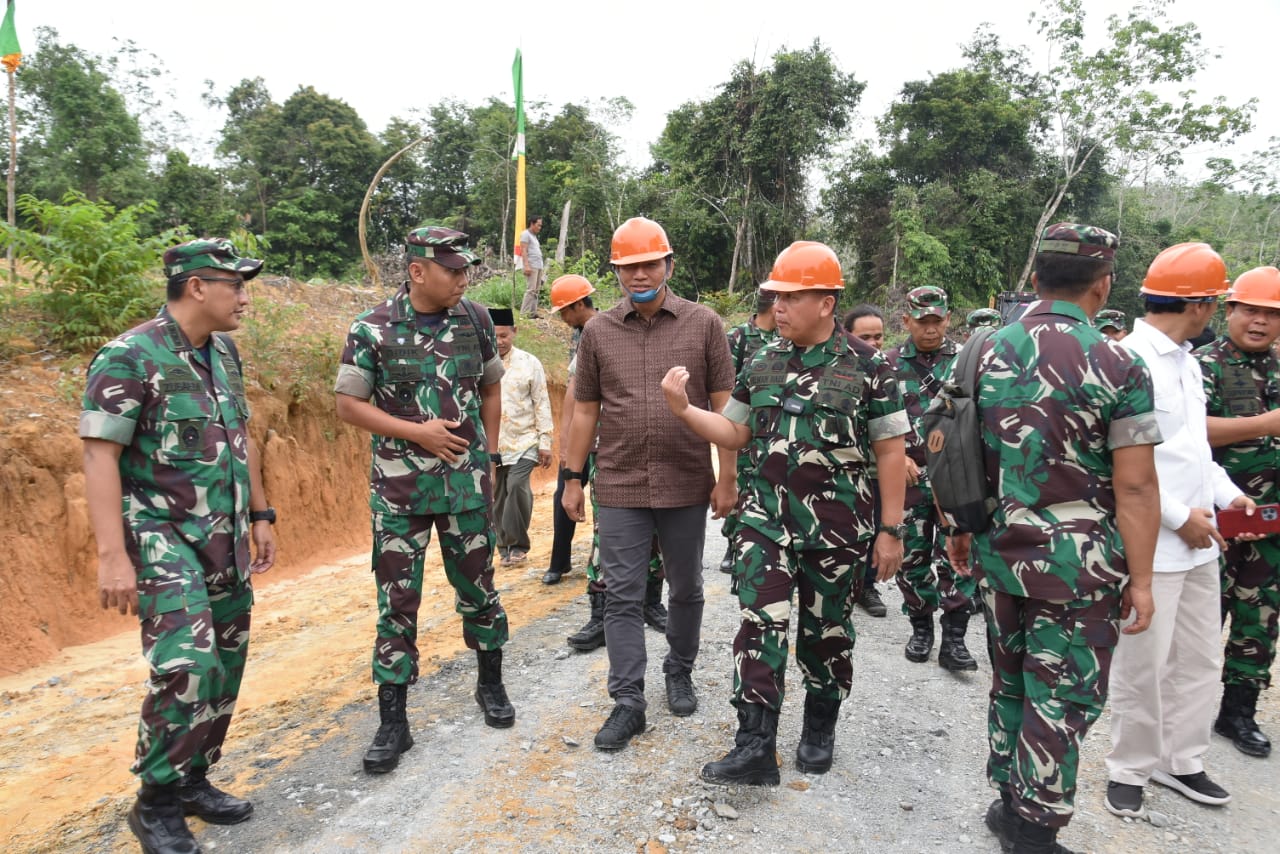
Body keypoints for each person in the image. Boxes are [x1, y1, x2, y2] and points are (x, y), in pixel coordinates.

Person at [947, 223, 1161, 854]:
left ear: (1035, 278)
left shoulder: (981, 350)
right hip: (1079, 571)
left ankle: (1010, 802)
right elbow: (1137, 488)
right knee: (1062, 694)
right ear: (1104, 283)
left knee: (1010, 678)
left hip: (999, 553)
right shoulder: (1121, 362)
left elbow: (949, 451)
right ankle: (1033, 830)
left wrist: (959, 528)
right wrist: (1143, 580)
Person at [662, 241, 908, 785]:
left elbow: (892, 453)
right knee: (759, 625)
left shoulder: (871, 368)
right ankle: (754, 744)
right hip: (763, 524)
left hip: (837, 531)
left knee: (827, 634)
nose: (779, 308)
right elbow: (736, 430)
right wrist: (686, 411)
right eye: (775, 297)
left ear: (826, 302)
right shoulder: (762, 359)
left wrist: (891, 531)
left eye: (791, 298)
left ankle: (819, 727)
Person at [81, 238, 277, 853]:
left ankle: (194, 776)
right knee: (186, 666)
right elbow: (99, 455)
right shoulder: (129, 357)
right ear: (196, 286)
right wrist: (112, 555)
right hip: (160, 536)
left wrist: (261, 513)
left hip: (224, 536)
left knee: (227, 660)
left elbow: (240, 438)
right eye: (234, 285)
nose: (244, 298)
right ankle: (155, 800)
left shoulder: (223, 352)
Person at [335, 226, 514, 776]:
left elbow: (489, 387)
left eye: (465, 270)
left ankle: (491, 685)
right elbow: (348, 404)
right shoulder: (373, 328)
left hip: (464, 490)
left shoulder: (478, 320)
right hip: (400, 492)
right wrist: (418, 435)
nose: (464, 278)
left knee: (479, 590)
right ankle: (394, 721)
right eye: (453, 270)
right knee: (397, 605)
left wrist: (484, 455)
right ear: (417, 271)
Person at [561, 216, 736, 750]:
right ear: (615, 272)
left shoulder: (705, 324)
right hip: (618, 483)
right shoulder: (597, 331)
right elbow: (585, 412)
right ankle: (628, 701)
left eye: (648, 264)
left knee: (686, 589)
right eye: (627, 267)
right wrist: (571, 478)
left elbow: (727, 407)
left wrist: (727, 477)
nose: (639, 274)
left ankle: (678, 671)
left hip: (686, 481)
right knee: (621, 595)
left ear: (668, 265)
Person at [1104, 243, 1257, 819]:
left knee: (1198, 658)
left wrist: (1227, 497)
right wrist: (1177, 516)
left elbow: (1195, 454)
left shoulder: (1188, 363)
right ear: (1198, 305)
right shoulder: (1128, 361)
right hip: (1157, 541)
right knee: (1144, 661)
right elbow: (1117, 466)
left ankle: (1181, 758)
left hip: (1202, 541)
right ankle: (1129, 767)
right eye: (1214, 303)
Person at [544, 275, 669, 647]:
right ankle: (601, 614)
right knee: (607, 537)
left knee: (656, 534)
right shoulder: (593, 336)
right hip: (607, 452)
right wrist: (570, 456)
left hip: (654, 451)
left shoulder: (617, 332)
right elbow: (574, 401)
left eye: (563, 311)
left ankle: (650, 602)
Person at [1196, 266, 1280, 759]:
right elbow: (1188, 434)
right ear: (1230, 310)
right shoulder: (1203, 365)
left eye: (1271, 314)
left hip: (1269, 525)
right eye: (1251, 310)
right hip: (1215, 521)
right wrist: (1263, 424)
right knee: (1204, 619)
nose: (1260, 322)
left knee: (1259, 617)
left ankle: (1238, 712)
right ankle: (1183, 713)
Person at [883, 286, 978, 671]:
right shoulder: (888, 364)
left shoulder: (966, 363)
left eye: (937, 321)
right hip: (910, 479)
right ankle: (920, 626)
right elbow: (879, 420)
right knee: (914, 558)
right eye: (922, 321)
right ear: (906, 321)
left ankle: (954, 638)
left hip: (957, 477)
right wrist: (899, 454)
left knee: (960, 557)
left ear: (948, 319)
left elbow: (976, 415)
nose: (931, 329)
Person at [719, 288, 779, 574]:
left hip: (775, 430)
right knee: (741, 485)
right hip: (744, 426)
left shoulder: (786, 337)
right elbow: (726, 382)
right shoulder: (739, 336)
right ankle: (733, 542)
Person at [543, 274, 598, 586]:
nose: (562, 318)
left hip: (603, 436)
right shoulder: (579, 334)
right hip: (581, 432)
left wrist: (565, 442)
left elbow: (576, 395)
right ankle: (559, 562)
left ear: (579, 304)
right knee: (564, 495)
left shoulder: (600, 330)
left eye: (564, 310)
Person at [489, 306, 553, 566]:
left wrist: (545, 442)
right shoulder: (480, 365)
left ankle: (518, 544)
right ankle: (503, 546)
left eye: (504, 335)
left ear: (514, 332)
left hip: (525, 440)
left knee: (516, 486)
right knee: (497, 494)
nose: (499, 341)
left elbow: (541, 402)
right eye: (494, 336)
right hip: (494, 443)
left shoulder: (530, 363)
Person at [842, 304, 890, 618]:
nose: (873, 343)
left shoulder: (885, 368)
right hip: (850, 470)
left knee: (875, 529)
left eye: (879, 336)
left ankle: (867, 586)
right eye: (865, 337)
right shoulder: (840, 368)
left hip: (880, 469)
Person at [519, 215, 546, 318]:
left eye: (540, 226)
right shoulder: (525, 234)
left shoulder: (534, 236)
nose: (540, 228)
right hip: (531, 265)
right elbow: (524, 250)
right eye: (538, 225)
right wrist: (526, 265)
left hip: (538, 265)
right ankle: (523, 314)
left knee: (536, 290)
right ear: (532, 224)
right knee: (531, 290)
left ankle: (532, 313)